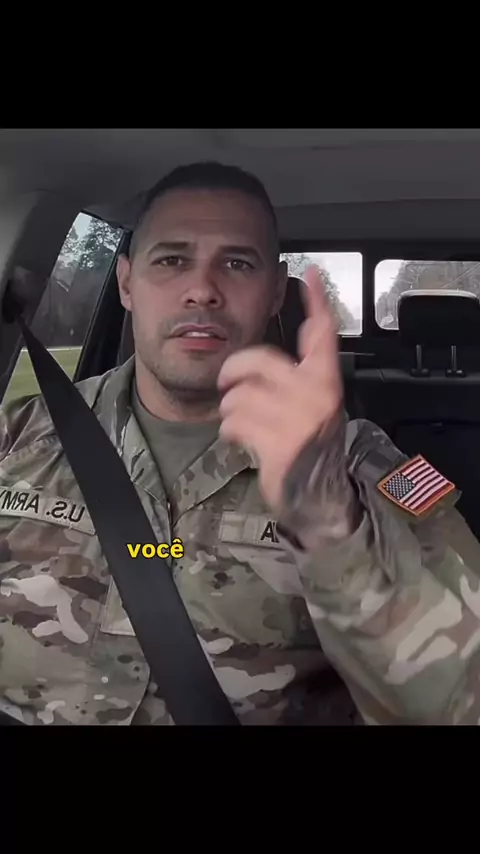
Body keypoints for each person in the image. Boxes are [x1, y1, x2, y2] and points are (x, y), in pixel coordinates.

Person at [1, 162, 480, 726]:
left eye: (237, 264)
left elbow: (463, 701)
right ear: (127, 284)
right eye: (171, 260)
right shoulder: (17, 435)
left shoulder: (360, 467)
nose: (202, 290)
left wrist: (331, 527)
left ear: (275, 291)